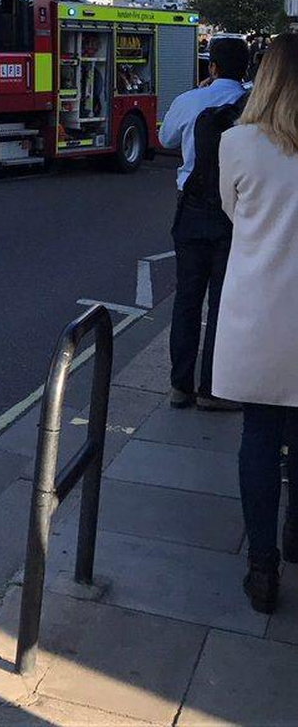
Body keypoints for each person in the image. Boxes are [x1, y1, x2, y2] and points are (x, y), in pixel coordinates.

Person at [213, 34, 298, 614]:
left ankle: (262, 567)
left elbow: (231, 213)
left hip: (260, 317)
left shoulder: (238, 144)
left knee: (260, 440)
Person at [159, 34, 249, 411]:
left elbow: (165, 139)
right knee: (223, 304)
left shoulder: (191, 100)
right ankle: (213, 389)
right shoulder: (253, 100)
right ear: (247, 67)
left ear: (211, 66)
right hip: (236, 212)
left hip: (192, 209)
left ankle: (181, 386)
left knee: (187, 300)